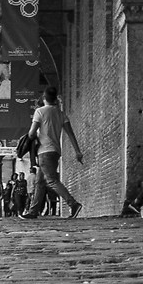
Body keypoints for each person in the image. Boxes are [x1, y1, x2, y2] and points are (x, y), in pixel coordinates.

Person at [30, 85, 84, 219]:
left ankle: (73, 204)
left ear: (44, 98)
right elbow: (71, 134)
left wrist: (32, 136)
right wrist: (77, 151)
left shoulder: (40, 112)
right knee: (39, 182)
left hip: (44, 151)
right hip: (55, 151)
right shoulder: (61, 114)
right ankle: (33, 211)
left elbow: (31, 133)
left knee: (52, 181)